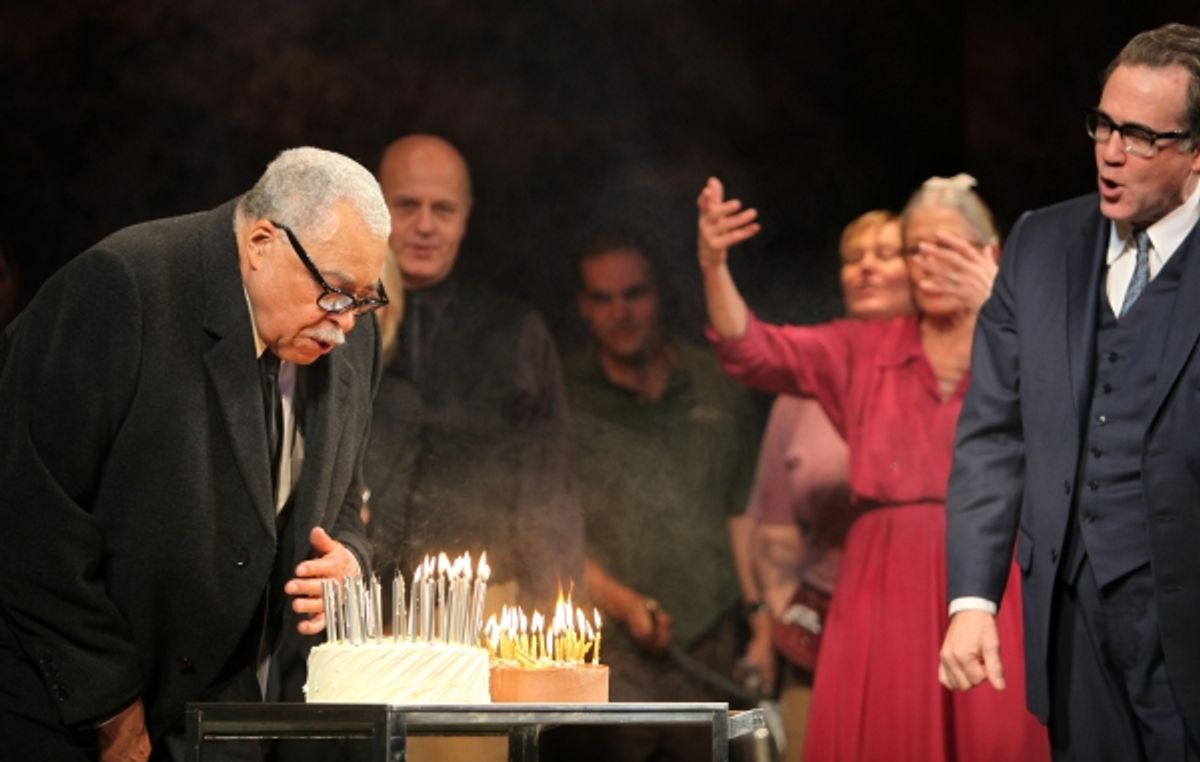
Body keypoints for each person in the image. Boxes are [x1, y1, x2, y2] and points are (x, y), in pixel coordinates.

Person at [0, 146, 391, 761]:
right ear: (262, 242)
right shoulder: (122, 288)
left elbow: (344, 502)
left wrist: (348, 563)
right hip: (67, 714)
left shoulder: (348, 336)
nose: (344, 325)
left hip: (228, 722)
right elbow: (28, 520)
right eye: (337, 293)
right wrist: (111, 711)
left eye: (366, 299)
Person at [699, 172, 1049, 760]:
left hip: (994, 575)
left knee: (996, 736)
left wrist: (1005, 311)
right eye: (917, 250)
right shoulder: (866, 349)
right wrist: (713, 265)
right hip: (882, 585)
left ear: (991, 253)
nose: (930, 265)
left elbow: (1092, 412)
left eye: (949, 248)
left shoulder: (1030, 341)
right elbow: (753, 349)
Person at [939, 23, 1200, 760]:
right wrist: (972, 601)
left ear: (1194, 152)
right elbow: (995, 435)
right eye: (1104, 125)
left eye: (1143, 136)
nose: (1112, 152)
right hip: (1074, 615)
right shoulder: (1041, 245)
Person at [541, 240, 761, 762]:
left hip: (713, 644)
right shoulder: (561, 393)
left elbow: (748, 508)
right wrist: (622, 601)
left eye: (634, 294)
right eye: (604, 298)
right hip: (605, 649)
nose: (621, 313)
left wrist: (764, 624)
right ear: (583, 307)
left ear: (659, 294)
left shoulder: (716, 382)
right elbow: (543, 527)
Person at [367, 133, 583, 607]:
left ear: (466, 216)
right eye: (407, 205)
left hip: (484, 606)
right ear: (375, 208)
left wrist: (552, 609)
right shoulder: (335, 319)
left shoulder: (516, 332)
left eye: (442, 209)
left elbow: (549, 489)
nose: (425, 225)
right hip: (355, 608)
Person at [747, 210, 914, 761]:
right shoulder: (801, 389)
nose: (865, 268)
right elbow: (772, 523)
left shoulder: (951, 375)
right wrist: (782, 614)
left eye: (885, 254)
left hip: (922, 631)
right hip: (822, 636)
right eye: (852, 258)